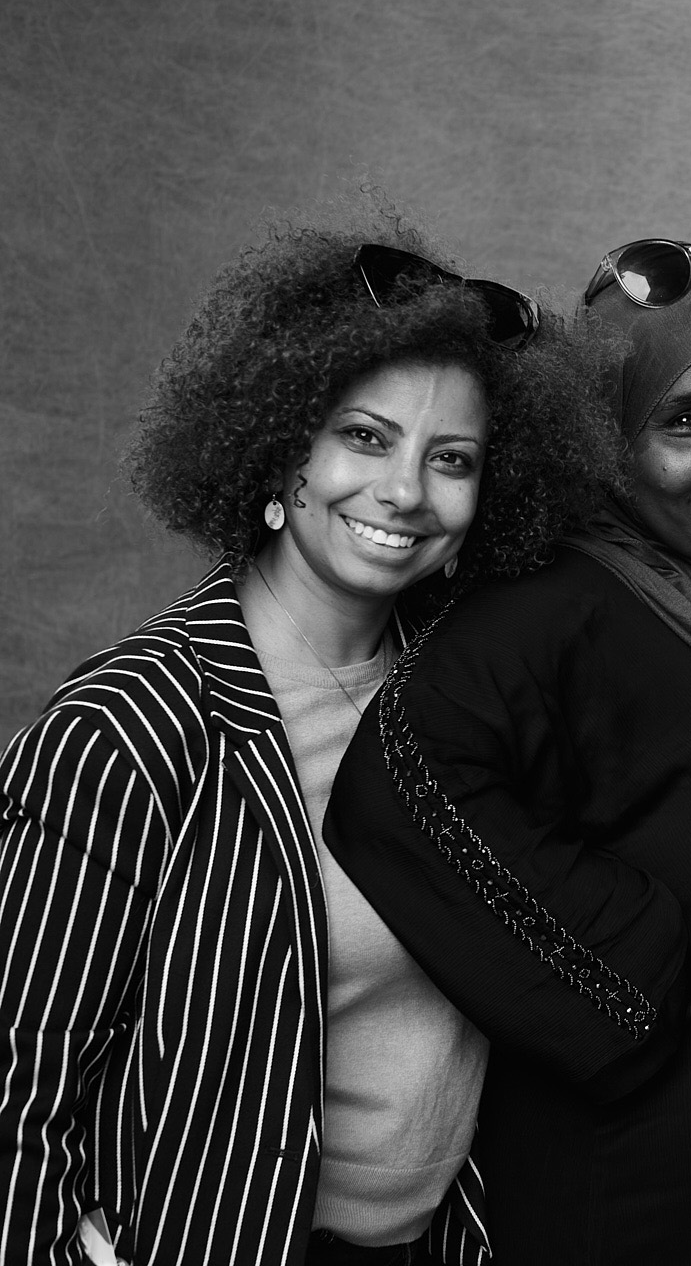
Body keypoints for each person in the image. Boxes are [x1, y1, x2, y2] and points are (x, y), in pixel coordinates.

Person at [0, 221, 612, 1266]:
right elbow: (15, 1088)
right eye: (365, 437)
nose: (406, 491)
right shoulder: (130, 729)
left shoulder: (475, 694)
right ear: (284, 447)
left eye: (451, 459)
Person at [324, 231, 691, 1265]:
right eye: (682, 419)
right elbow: (399, 782)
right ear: (603, 439)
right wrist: (621, 967)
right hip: (656, 1205)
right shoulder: (556, 606)